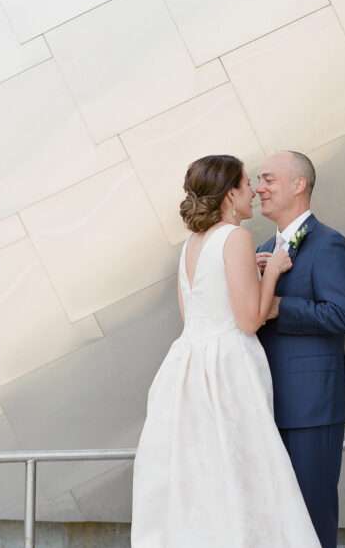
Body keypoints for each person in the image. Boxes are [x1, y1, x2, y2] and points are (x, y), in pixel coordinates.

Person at [131, 154, 321, 547]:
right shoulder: (236, 237)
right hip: (229, 368)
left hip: (186, 368)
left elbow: (194, 313)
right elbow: (250, 319)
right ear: (229, 194)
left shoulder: (189, 245)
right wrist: (270, 272)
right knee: (246, 468)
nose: (253, 190)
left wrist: (247, 270)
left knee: (201, 476)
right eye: (246, 183)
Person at [255, 151, 345, 548]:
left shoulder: (331, 244)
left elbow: (343, 314)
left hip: (313, 405)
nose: (259, 188)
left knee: (311, 515)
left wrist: (278, 305)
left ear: (299, 185)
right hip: (265, 403)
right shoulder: (264, 248)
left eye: (268, 179)